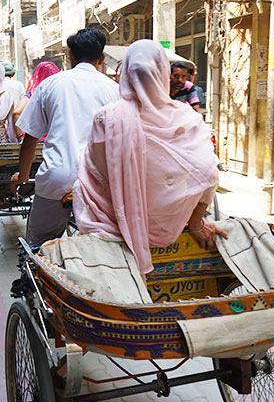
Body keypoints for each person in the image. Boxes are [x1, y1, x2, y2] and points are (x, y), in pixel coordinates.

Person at [73, 40, 226, 276]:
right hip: (171, 226)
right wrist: (195, 225)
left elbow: (93, 175)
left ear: (124, 74)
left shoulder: (107, 118)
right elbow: (209, 174)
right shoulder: (188, 118)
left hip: (113, 223)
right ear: (164, 73)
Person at [11, 27, 120, 248]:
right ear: (101, 58)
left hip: (57, 178)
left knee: (40, 246)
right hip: (99, 182)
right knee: (101, 246)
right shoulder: (115, 90)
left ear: (70, 54)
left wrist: (22, 176)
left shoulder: (50, 85)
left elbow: (30, 138)